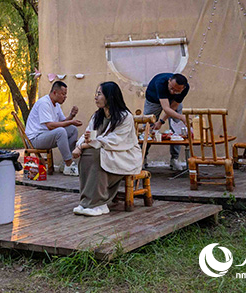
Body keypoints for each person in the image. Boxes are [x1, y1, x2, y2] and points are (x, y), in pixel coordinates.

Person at [71, 81, 142, 216]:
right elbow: (87, 133)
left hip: (124, 154)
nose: (96, 97)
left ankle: (99, 203)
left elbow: (115, 140)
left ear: (110, 96)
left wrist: (86, 145)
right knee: (89, 153)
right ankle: (86, 201)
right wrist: (80, 146)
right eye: (96, 94)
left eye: (99, 94)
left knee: (96, 154)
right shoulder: (97, 116)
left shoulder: (125, 117)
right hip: (104, 150)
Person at [24, 80, 81, 176]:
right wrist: (71, 122)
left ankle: (65, 164)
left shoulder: (57, 105)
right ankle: (69, 163)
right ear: (55, 92)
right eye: (63, 94)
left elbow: (62, 122)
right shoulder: (44, 103)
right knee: (61, 131)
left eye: (65, 94)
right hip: (34, 139)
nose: (65, 97)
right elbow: (50, 126)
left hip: (45, 135)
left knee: (72, 130)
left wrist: (71, 115)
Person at [143, 72, 189, 171]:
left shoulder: (185, 88)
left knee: (177, 128)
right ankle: (142, 157)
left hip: (171, 103)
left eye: (177, 90)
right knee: (147, 126)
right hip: (153, 100)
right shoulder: (160, 83)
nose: (173, 92)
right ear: (169, 81)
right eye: (171, 88)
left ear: (183, 88)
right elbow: (166, 108)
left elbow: (174, 107)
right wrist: (182, 117)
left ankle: (174, 159)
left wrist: (161, 121)